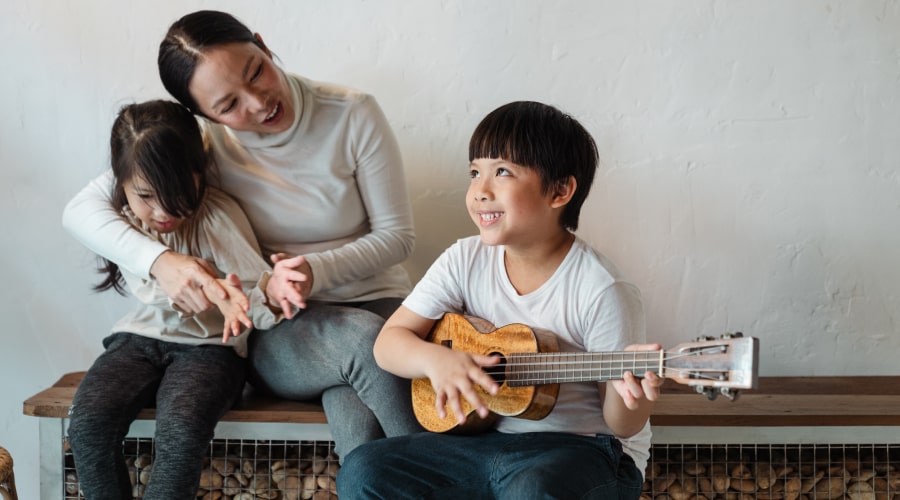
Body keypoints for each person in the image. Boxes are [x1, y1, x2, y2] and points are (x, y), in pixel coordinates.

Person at [62, 10, 423, 461]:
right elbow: (81, 209)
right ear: (201, 115)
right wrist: (162, 262)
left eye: (257, 72)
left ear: (262, 43)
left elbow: (397, 236)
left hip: (379, 300)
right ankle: (447, 478)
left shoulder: (352, 112)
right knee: (370, 345)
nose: (257, 103)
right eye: (228, 105)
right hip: (282, 325)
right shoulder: (204, 144)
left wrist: (317, 271)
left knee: (356, 413)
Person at [337, 101, 664, 499]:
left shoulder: (601, 289)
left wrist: (635, 399)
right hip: (481, 442)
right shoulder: (464, 258)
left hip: (584, 450)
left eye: (502, 172)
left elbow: (622, 426)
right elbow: (389, 344)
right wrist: (436, 360)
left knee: (534, 488)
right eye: (475, 172)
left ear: (560, 190)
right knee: (365, 468)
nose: (480, 191)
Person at [67, 99, 295, 499]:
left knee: (181, 429)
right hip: (136, 339)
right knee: (88, 423)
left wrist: (263, 301)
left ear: (199, 172)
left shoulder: (217, 217)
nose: (161, 210)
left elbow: (257, 292)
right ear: (120, 185)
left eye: (175, 191)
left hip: (209, 349)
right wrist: (195, 287)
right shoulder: (121, 223)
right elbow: (146, 285)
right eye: (145, 195)